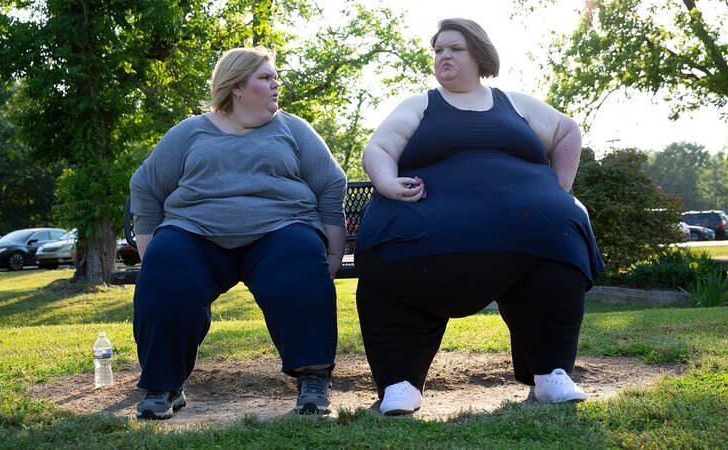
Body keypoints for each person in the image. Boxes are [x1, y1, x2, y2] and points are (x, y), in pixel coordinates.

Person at [354, 18, 604, 415]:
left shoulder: (514, 103)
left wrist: (557, 193)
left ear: (479, 54)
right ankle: (399, 383)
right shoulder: (421, 104)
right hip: (426, 235)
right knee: (387, 258)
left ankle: (550, 373)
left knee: (560, 243)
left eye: (454, 48)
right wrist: (386, 183)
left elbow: (566, 132)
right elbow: (380, 148)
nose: (443, 56)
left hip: (530, 236)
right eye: (437, 50)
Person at [129, 47, 347, 419]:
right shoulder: (190, 132)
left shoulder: (292, 129)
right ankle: (163, 385)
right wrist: (153, 256)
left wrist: (331, 255)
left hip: (279, 233)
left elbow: (331, 183)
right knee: (167, 267)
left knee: (299, 261)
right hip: (196, 235)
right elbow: (147, 187)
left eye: (275, 76)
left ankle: (313, 379)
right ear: (236, 87)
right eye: (266, 77)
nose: (277, 84)